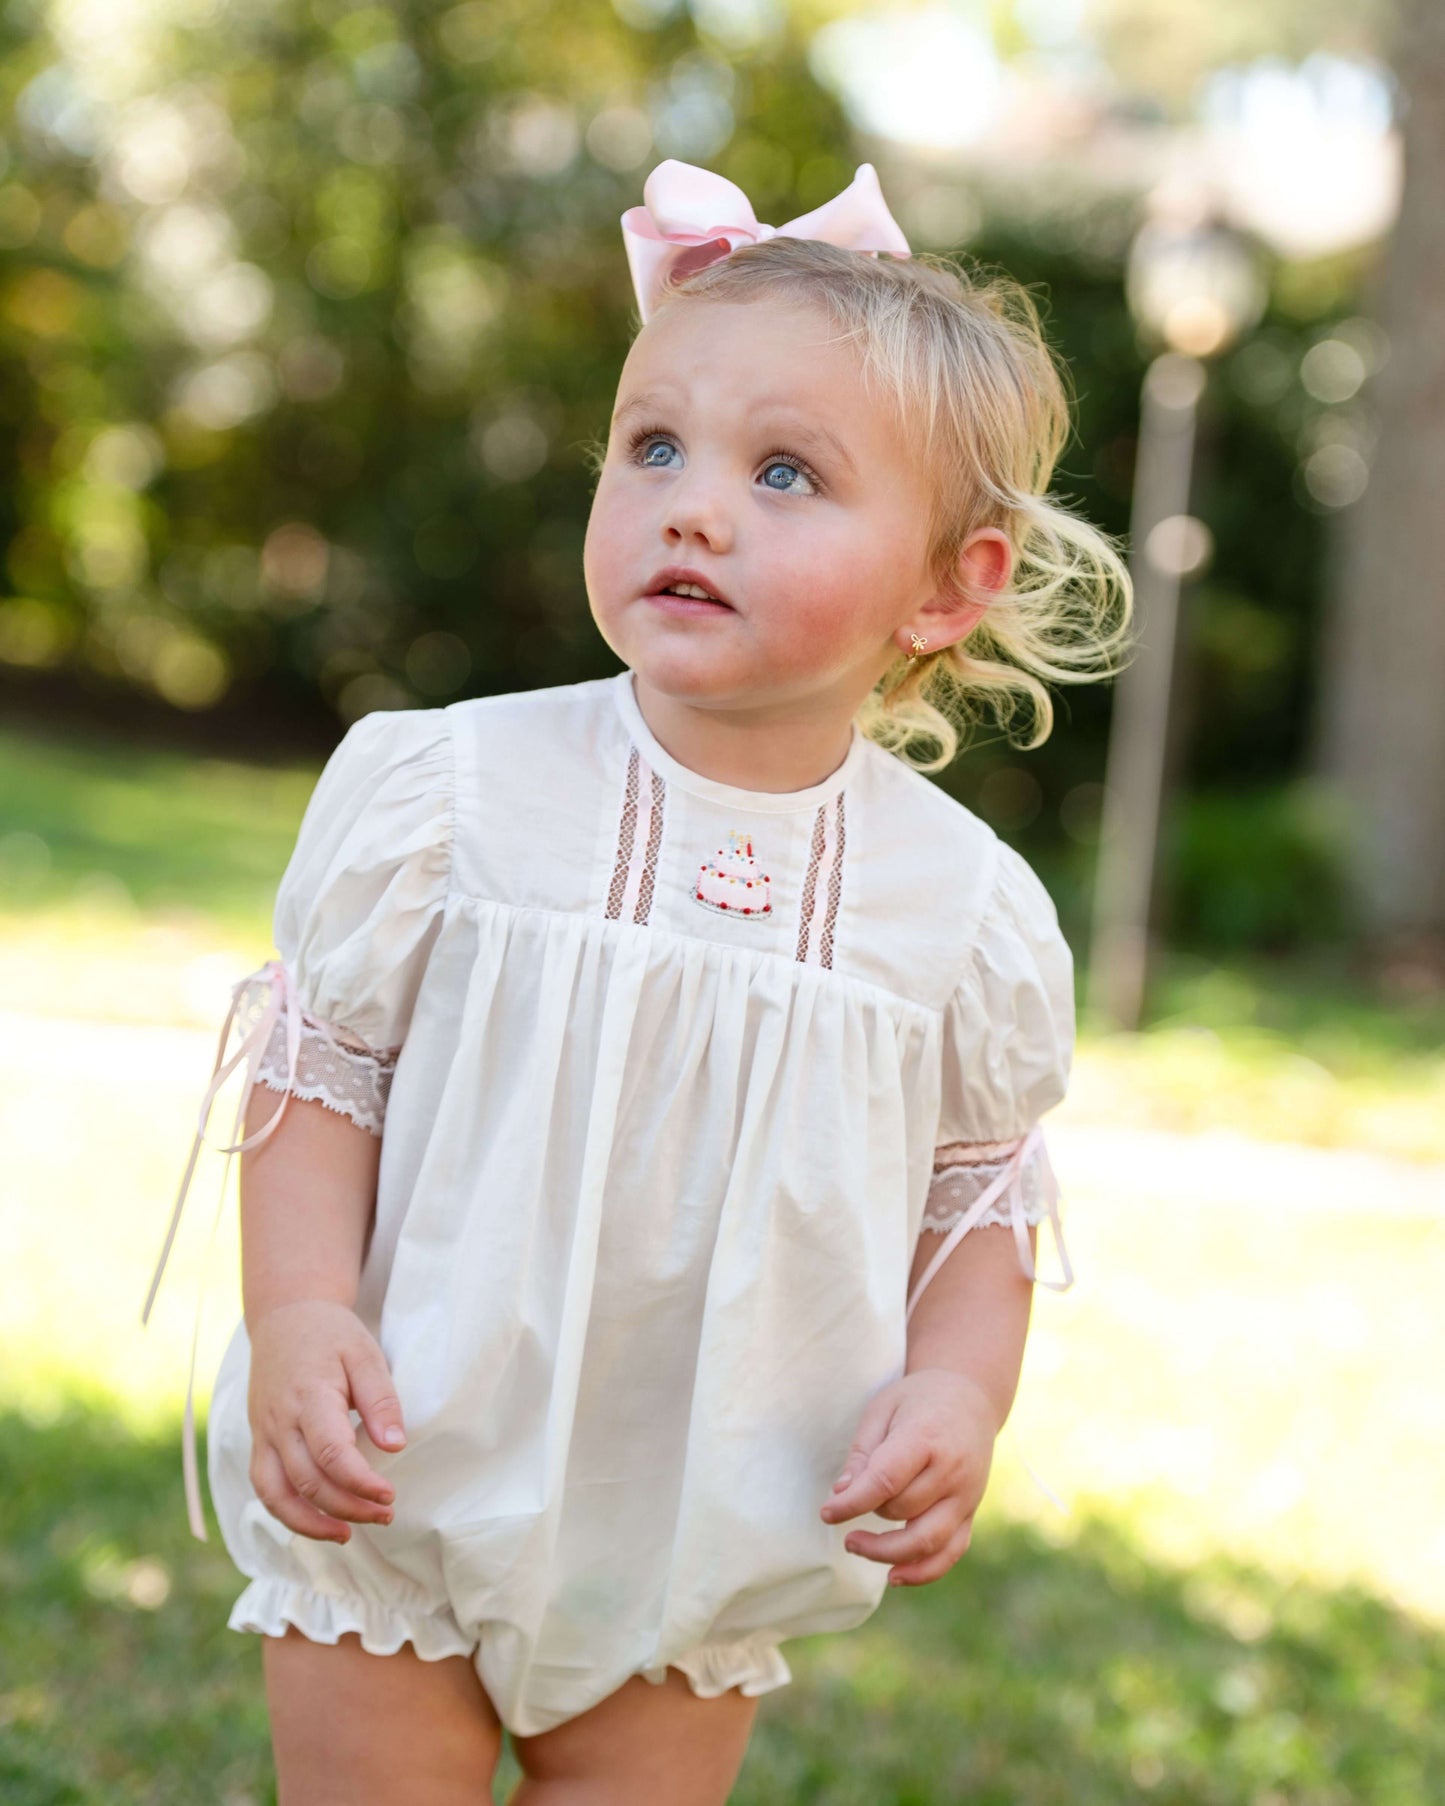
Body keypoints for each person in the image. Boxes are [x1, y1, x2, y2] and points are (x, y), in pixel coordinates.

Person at [142, 157, 1130, 1804]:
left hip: (708, 1516)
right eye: (652, 445)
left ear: (951, 585)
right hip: (403, 1465)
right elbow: (320, 1074)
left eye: (787, 472)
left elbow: (979, 1202)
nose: (692, 502)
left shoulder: (958, 912)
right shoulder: (455, 794)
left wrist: (958, 1388)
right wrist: (302, 1311)